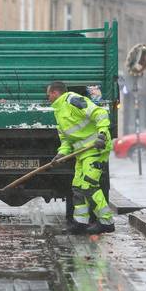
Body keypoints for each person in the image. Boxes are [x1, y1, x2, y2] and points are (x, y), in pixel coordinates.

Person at [47, 81, 115, 235]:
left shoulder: (73, 100)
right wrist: (61, 154)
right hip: (81, 153)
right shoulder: (58, 111)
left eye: (48, 94)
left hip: (96, 148)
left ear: (55, 93)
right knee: (78, 187)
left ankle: (107, 222)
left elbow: (100, 113)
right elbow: (65, 139)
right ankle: (80, 223)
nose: (47, 98)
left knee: (89, 186)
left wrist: (102, 134)